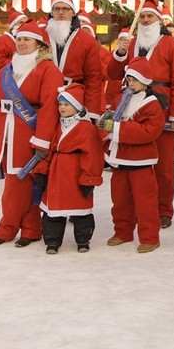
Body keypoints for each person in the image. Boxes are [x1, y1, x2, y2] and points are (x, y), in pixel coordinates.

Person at [108, 0, 174, 229]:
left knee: (164, 166)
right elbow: (113, 74)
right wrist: (120, 54)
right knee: (133, 163)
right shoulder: (130, 44)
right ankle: (135, 207)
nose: (145, 20)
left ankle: (164, 210)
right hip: (132, 108)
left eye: (149, 16)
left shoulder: (172, 45)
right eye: (142, 16)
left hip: (162, 110)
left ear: (159, 20)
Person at [0, 21, 64, 247]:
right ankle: (31, 228)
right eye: (19, 39)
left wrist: (42, 141)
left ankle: (7, 227)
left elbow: (49, 107)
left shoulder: (49, 70)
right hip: (6, 131)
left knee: (18, 183)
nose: (21, 43)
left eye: (27, 39)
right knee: (22, 183)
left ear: (39, 44)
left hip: (29, 133)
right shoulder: (8, 69)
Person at [100, 57, 166, 253]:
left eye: (135, 80)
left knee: (145, 203)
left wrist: (117, 128)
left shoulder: (152, 104)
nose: (131, 84)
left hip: (141, 161)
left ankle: (150, 237)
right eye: (129, 79)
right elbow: (111, 118)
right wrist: (106, 123)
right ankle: (122, 231)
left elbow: (149, 131)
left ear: (146, 81)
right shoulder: (121, 98)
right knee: (120, 200)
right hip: (120, 159)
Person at [36, 83, 103, 254]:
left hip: (75, 173)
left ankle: (83, 240)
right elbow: (49, 150)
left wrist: (89, 179)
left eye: (66, 104)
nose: (62, 108)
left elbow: (93, 155)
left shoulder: (87, 128)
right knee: (54, 210)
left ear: (77, 106)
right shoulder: (56, 126)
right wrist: (42, 170)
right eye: (60, 104)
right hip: (57, 173)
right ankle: (52, 241)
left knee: (80, 209)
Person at [45, 0, 103, 122]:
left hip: (74, 99)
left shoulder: (87, 40)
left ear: (73, 12)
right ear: (51, 12)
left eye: (65, 9)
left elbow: (93, 79)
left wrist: (92, 112)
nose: (61, 12)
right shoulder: (40, 36)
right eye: (57, 9)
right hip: (44, 96)